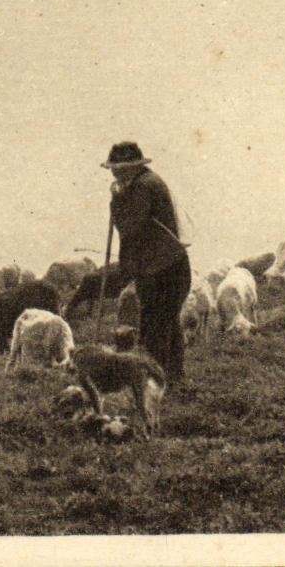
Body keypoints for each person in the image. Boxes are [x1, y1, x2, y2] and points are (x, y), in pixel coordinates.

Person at [103, 141, 191, 387]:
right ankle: (174, 380)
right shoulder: (147, 182)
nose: (113, 173)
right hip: (168, 265)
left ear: (129, 167)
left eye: (117, 168)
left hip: (162, 270)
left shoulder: (142, 188)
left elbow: (131, 226)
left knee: (155, 329)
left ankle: (158, 383)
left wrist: (117, 201)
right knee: (167, 324)